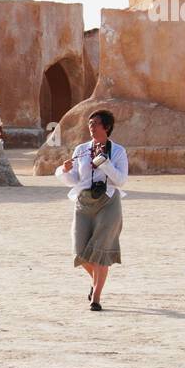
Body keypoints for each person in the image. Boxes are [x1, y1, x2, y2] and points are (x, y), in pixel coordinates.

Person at [56, 109, 128, 311]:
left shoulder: (118, 151)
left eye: (95, 123)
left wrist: (104, 163)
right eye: (90, 123)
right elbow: (76, 181)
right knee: (80, 252)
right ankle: (95, 282)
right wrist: (64, 171)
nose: (91, 127)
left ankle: (96, 297)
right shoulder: (81, 150)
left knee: (100, 251)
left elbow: (121, 180)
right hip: (84, 202)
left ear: (106, 127)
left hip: (108, 202)